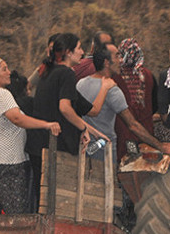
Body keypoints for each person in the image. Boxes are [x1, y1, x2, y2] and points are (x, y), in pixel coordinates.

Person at [0, 57, 61, 215]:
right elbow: (16, 118)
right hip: (6, 163)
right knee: (15, 211)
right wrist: (46, 124)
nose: (9, 73)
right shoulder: (2, 95)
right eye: (4, 69)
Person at [27, 33, 109, 206]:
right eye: (79, 48)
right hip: (55, 145)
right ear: (68, 53)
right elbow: (65, 108)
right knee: (56, 201)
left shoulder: (48, 72)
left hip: (38, 144)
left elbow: (63, 111)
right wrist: (83, 129)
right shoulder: (66, 74)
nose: (82, 52)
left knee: (40, 198)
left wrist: (92, 131)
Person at [77, 43, 170, 163]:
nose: (121, 60)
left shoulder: (81, 84)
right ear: (106, 62)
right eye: (117, 56)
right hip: (106, 150)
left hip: (87, 147)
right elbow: (133, 125)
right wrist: (162, 147)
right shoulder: (112, 88)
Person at [112, 38, 160, 160]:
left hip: (123, 133)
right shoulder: (148, 75)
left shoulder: (115, 76)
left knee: (126, 164)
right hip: (146, 132)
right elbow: (155, 105)